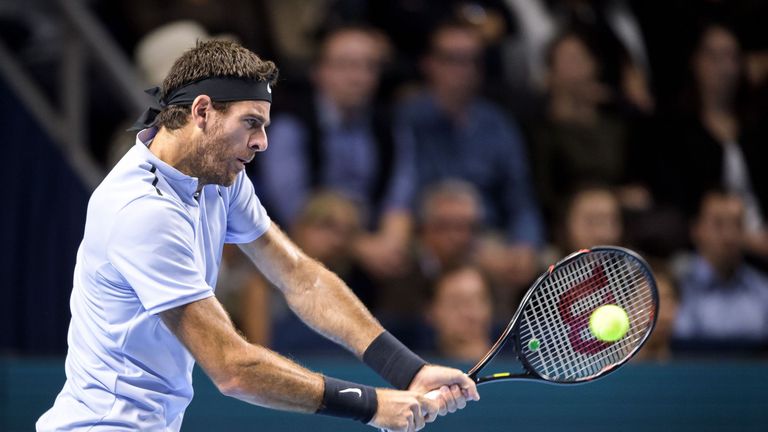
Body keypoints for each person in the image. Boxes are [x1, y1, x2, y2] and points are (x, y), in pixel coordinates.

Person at [37, 40, 478, 432]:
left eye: (264, 125)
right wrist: (371, 404)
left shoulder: (219, 176)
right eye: (251, 123)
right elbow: (232, 368)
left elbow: (298, 275)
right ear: (202, 111)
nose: (262, 141)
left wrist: (405, 369)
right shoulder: (142, 211)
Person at [255, 24, 416, 280]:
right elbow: (297, 214)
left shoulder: (387, 126)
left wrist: (391, 243)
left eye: (369, 66)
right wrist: (360, 247)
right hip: (309, 242)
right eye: (346, 65)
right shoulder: (291, 124)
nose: (358, 77)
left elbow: (398, 201)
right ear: (320, 72)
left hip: (374, 242)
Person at [397, 20, 543, 302]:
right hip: (424, 233)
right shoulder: (406, 118)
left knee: (529, 263)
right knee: (403, 259)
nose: (462, 69)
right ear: (429, 63)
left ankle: (496, 342)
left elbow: (520, 197)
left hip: (485, 234)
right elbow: (399, 192)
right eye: (452, 59)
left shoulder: (498, 124)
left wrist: (525, 244)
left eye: (471, 60)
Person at [672, 190, 768, 355]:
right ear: (696, 230)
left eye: (737, 224)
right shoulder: (675, 283)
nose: (729, 236)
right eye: (718, 224)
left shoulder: (762, 290)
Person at [425, 265, 494, 362]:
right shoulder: (416, 371)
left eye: (479, 301)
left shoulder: (517, 364)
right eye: (456, 303)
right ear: (432, 312)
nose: (471, 314)